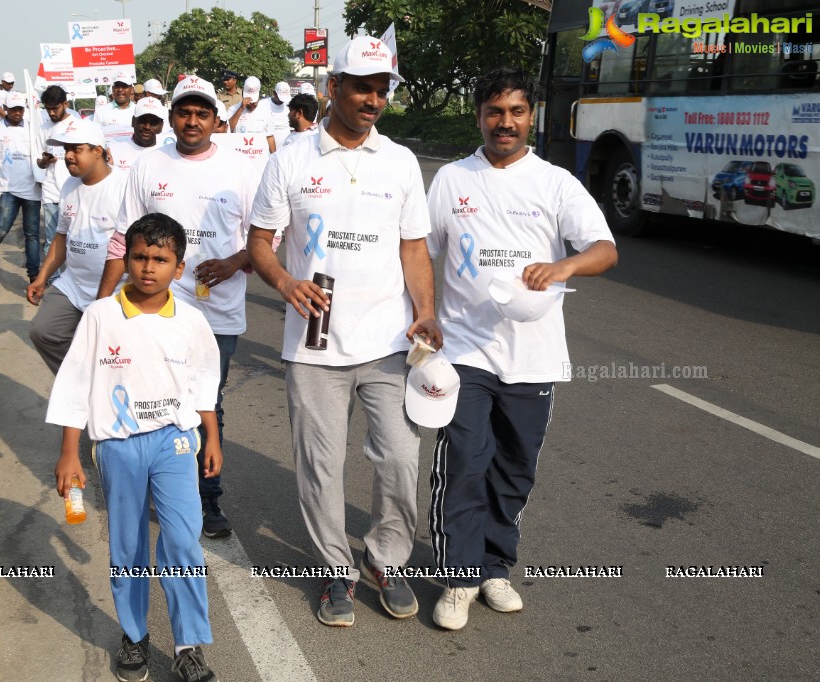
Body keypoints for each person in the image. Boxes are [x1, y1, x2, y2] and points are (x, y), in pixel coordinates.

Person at [246, 36, 440, 627]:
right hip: (313, 343)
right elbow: (260, 242)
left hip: (387, 343)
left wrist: (425, 311)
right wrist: (284, 283)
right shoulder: (291, 159)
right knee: (319, 465)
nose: (372, 100)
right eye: (362, 87)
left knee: (401, 459)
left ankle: (386, 560)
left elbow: (413, 249)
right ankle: (335, 569)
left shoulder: (401, 162)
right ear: (334, 87)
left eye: (382, 90)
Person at [425, 67, 618, 630]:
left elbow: (604, 249)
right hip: (464, 350)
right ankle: (458, 578)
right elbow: (419, 251)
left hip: (533, 352)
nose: (503, 123)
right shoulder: (452, 180)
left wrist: (565, 264)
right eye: (493, 112)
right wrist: (424, 315)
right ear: (479, 115)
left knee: (514, 468)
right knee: (462, 463)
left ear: (531, 116)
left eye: (514, 112)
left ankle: (494, 567)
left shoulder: (555, 183)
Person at [48, 214, 221, 682]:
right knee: (127, 543)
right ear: (127, 259)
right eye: (140, 256)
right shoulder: (102, 315)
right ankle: (134, 635)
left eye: (160, 259)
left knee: (183, 539)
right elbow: (75, 382)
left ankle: (188, 645)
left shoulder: (191, 320)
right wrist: (70, 453)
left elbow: (205, 381)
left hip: (176, 440)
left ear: (178, 268)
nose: (149, 268)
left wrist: (213, 439)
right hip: (118, 447)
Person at [98, 75, 258, 540]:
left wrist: (233, 262)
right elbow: (122, 238)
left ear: (215, 119)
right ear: (172, 118)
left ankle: (208, 499)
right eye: (184, 113)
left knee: (208, 403)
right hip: (151, 306)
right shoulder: (148, 166)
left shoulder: (241, 169)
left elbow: (266, 238)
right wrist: (104, 304)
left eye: (202, 113)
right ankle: (163, 486)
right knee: (153, 395)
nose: (192, 121)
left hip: (217, 312)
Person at [27, 118, 127, 373]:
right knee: (43, 332)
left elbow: (129, 248)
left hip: (115, 291)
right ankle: (78, 382)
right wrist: (42, 278)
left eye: (76, 149)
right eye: (66, 150)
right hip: (73, 285)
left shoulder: (123, 187)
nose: (68, 156)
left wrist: (102, 302)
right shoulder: (69, 185)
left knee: (113, 358)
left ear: (97, 151)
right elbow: (61, 237)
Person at [0, 91, 43, 281]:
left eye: (20, 109)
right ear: (5, 109)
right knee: (0, 229)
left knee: (31, 235)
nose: (17, 113)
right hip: (8, 190)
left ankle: (33, 275)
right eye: (13, 109)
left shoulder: (33, 129)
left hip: (32, 191)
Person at [35, 85, 75, 258]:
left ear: (65, 103)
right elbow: (38, 162)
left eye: (55, 108)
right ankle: (52, 282)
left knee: (74, 240)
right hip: (51, 192)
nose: (51, 113)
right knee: (52, 241)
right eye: (48, 109)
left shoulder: (77, 125)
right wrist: (44, 161)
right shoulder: (43, 129)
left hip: (74, 190)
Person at [106, 96, 166, 173]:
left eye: (153, 122)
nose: (147, 127)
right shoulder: (114, 152)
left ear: (161, 126)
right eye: (142, 120)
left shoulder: (168, 153)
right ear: (133, 121)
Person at [225, 76, 275, 153]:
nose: (251, 104)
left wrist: (274, 157)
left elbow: (270, 136)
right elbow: (228, 130)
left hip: (259, 156)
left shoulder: (266, 110)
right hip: (239, 155)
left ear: (258, 96)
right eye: (248, 101)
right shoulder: (233, 109)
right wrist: (241, 109)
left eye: (254, 102)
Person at [267, 81, 292, 147]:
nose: (282, 101)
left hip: (286, 146)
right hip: (268, 146)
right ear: (274, 93)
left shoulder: (290, 105)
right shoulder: (264, 104)